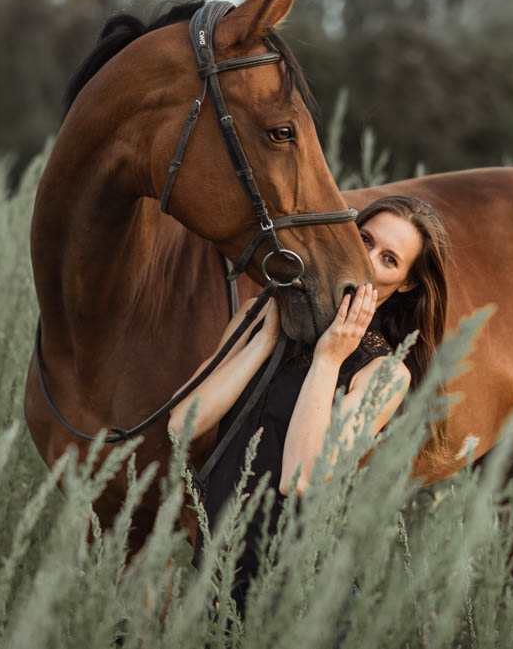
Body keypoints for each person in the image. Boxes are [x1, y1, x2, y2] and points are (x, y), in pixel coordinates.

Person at [168, 195, 450, 610]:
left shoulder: (385, 373)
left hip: (301, 598)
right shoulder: (259, 317)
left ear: (405, 284)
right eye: (365, 239)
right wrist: (263, 341)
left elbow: (299, 479)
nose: (366, 258)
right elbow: (181, 427)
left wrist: (329, 358)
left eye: (389, 259)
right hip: (217, 581)